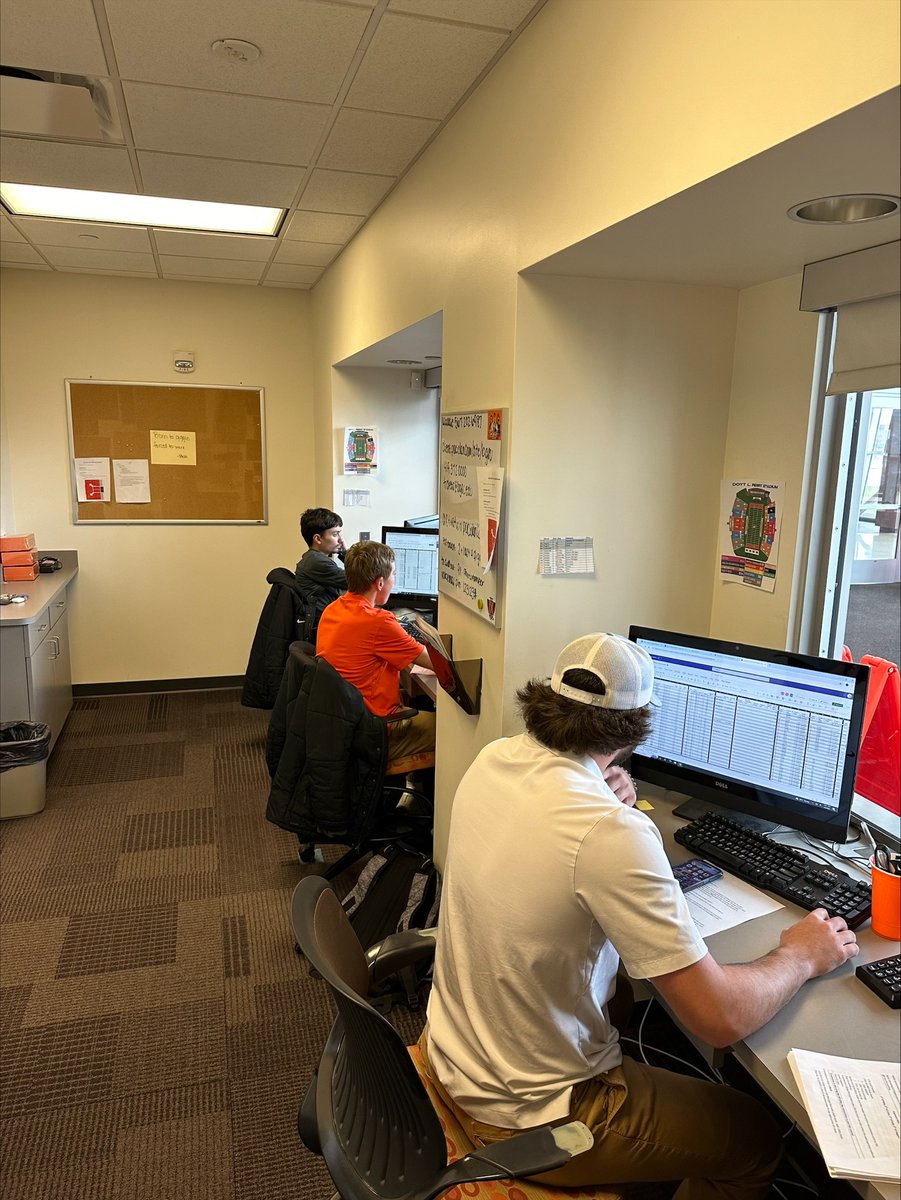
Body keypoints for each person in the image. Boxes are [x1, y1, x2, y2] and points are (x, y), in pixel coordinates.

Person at [420, 632, 860, 1199]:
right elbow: (718, 1019)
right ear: (636, 726)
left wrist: (607, 802)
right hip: (529, 1116)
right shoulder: (610, 834)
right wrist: (799, 955)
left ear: (550, 700)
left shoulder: (494, 760)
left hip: (455, 1051)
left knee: (628, 1000)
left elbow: (562, 835)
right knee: (753, 1137)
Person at [316, 540, 435, 772]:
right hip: (376, 731)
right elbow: (435, 663)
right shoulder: (378, 622)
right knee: (450, 729)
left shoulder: (333, 609)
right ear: (380, 583)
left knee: (412, 698)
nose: (394, 581)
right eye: (394, 575)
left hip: (343, 725)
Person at [294, 507, 347, 643]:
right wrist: (345, 552)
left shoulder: (313, 558)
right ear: (318, 539)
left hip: (326, 623)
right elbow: (358, 579)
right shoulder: (316, 562)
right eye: (335, 534)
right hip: (323, 630)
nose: (340, 540)